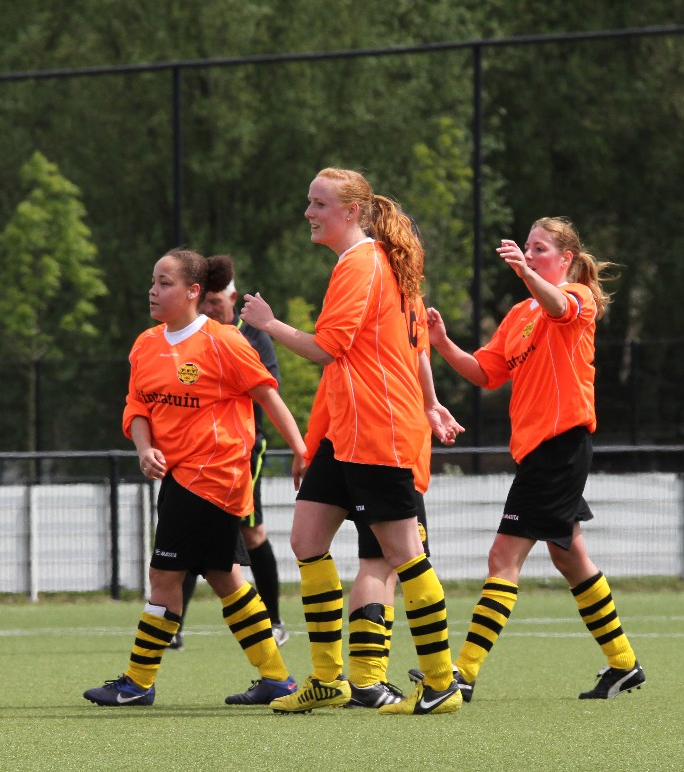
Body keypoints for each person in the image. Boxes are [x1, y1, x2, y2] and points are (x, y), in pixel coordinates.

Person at [240, 166, 461, 716]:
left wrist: (268, 323)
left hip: (378, 431)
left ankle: (441, 684)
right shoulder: (374, 262)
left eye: (319, 204)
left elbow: (326, 349)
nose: (308, 213)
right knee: (306, 539)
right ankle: (328, 679)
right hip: (346, 434)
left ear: (352, 212)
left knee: (401, 555)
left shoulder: (362, 263)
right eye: (309, 202)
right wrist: (430, 401)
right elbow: (410, 349)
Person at [417, 216, 645, 700]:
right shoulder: (521, 312)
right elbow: (485, 373)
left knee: (503, 557)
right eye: (527, 247)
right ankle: (624, 664)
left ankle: (463, 673)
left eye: (540, 248)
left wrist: (525, 272)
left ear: (566, 258)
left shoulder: (578, 296)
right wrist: (442, 343)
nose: (530, 254)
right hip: (540, 450)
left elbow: (559, 306)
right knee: (570, 557)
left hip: (559, 447)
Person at [82, 248, 308, 708]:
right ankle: (277, 679)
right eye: (153, 281)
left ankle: (137, 683)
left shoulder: (224, 341)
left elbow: (268, 396)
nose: (153, 290)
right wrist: (145, 449)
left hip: (213, 476)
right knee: (225, 578)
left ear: (192, 291)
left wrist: (302, 451)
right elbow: (137, 407)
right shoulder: (146, 344)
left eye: (164, 283)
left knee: (163, 575)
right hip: (178, 476)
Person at [170, 255, 289, 650]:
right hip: (196, 454)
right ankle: (173, 628)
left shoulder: (251, 337)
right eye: (205, 301)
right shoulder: (189, 336)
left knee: (251, 533)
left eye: (216, 302)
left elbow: (266, 394)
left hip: (242, 451)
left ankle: (274, 622)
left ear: (233, 299)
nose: (210, 308)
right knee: (191, 534)